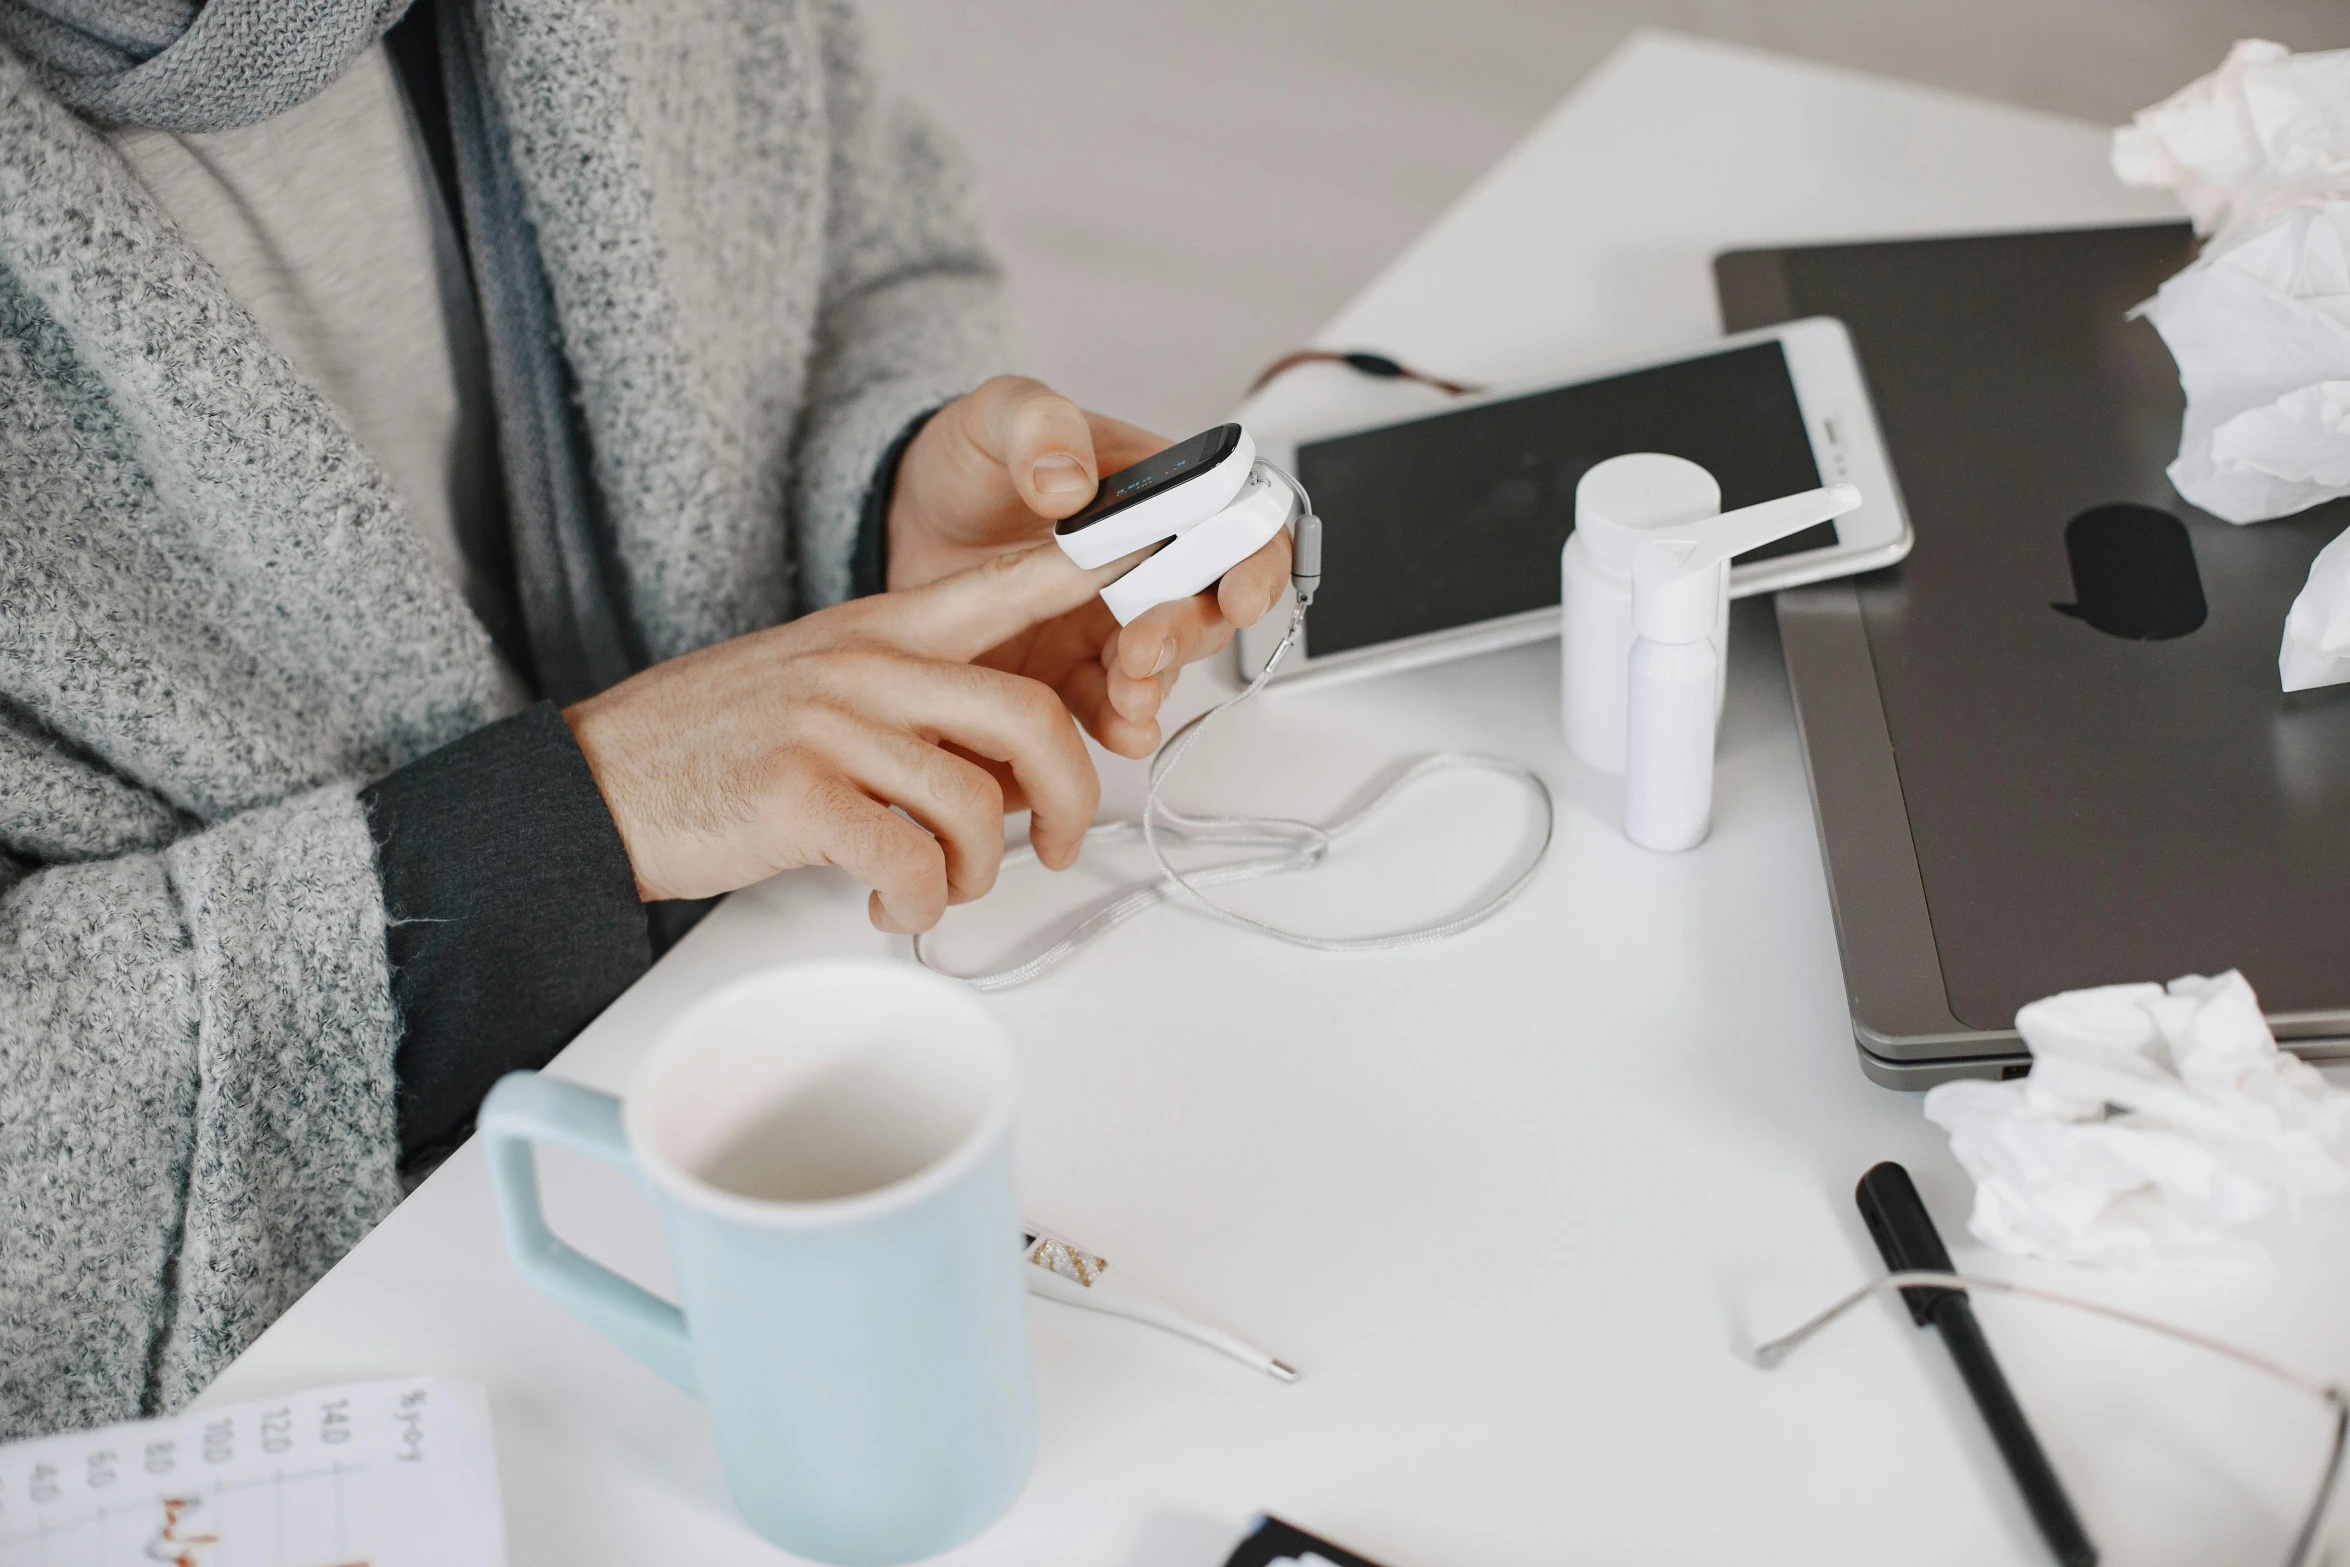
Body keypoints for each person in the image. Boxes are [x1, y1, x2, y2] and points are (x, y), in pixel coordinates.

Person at [0, 0, 1290, 1438]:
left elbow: (863, 230)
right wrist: (575, 821)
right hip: (377, 1378)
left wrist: (881, 512)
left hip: (832, 1027)